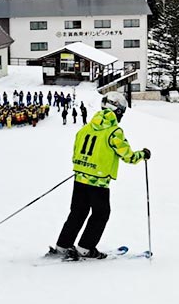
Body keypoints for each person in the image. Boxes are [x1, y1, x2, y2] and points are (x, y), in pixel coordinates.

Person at [53, 91, 150, 260]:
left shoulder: (85, 128)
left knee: (78, 212)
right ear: (117, 111)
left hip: (80, 178)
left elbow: (76, 151)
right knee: (101, 213)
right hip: (98, 182)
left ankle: (63, 245)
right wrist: (142, 155)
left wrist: (84, 166)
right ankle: (85, 247)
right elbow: (128, 156)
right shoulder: (114, 132)